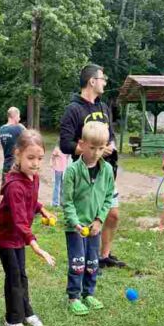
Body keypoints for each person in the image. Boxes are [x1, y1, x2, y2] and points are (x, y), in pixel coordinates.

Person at [60, 64, 126, 269]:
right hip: (85, 173)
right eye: (102, 78)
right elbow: (65, 144)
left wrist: (110, 146)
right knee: (87, 216)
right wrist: (94, 151)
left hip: (107, 171)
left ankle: (103, 256)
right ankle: (87, 257)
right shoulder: (73, 109)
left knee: (112, 214)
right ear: (92, 81)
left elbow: (111, 135)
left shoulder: (103, 107)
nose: (105, 81)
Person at [0, 130, 56, 326]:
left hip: (18, 236)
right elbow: (19, 220)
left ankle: (26, 312)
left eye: (39, 158)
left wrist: (42, 209)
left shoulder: (32, 178)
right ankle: (12, 318)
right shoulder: (14, 185)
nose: (36, 163)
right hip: (5, 235)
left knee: (21, 275)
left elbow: (31, 200)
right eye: (30, 158)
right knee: (13, 276)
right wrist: (37, 247)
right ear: (17, 154)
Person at [62, 121, 115, 315]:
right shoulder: (72, 171)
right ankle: (74, 296)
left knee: (92, 262)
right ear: (81, 144)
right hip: (75, 226)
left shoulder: (107, 170)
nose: (96, 152)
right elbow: (66, 201)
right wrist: (75, 222)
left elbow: (108, 197)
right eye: (92, 147)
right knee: (78, 261)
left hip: (95, 226)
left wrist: (100, 220)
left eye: (101, 148)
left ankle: (88, 293)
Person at [0, 106, 25, 186]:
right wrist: (22, 126)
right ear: (15, 116)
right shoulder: (18, 128)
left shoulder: (1, 129)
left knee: (4, 188)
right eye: (19, 116)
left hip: (6, 163)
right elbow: (30, 137)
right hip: (16, 164)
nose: (19, 119)